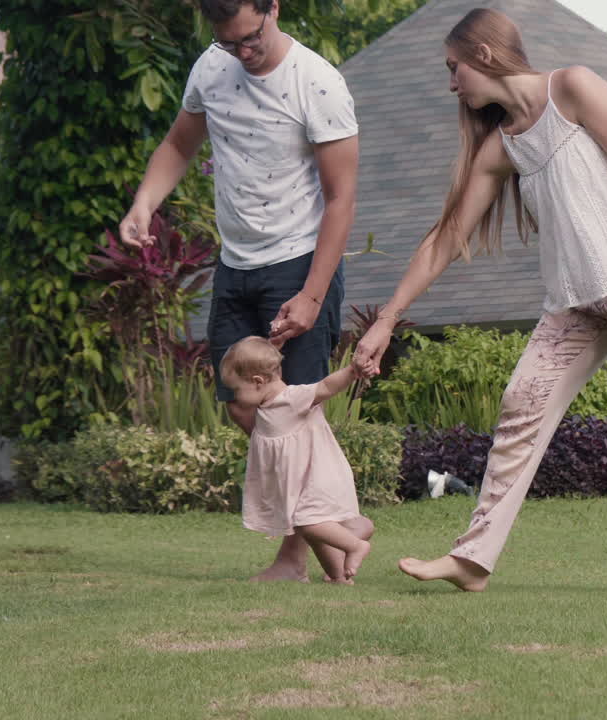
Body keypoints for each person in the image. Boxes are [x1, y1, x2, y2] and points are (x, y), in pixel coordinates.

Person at [352, 8, 607, 597]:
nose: (451, 84)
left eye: (453, 68)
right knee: (522, 401)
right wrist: (386, 319)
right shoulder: (503, 147)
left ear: (484, 56)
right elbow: (446, 239)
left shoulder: (573, 87)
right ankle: (472, 560)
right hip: (577, 300)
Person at [117, 0, 359, 581]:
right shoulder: (211, 67)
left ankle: (300, 556)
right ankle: (342, 535)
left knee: (292, 417)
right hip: (236, 265)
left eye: (251, 38)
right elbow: (178, 145)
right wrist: (144, 202)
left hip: (299, 263)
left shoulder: (317, 83)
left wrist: (310, 294)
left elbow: (342, 198)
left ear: (273, 9)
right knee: (245, 407)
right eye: (230, 43)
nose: (243, 53)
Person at [221, 336, 374, 583]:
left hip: (320, 476)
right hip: (302, 483)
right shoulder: (266, 407)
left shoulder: (291, 399)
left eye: (237, 389)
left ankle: (355, 545)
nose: (236, 397)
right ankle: (339, 576)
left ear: (258, 382)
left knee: (307, 524)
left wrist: (352, 370)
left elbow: (325, 386)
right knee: (311, 530)